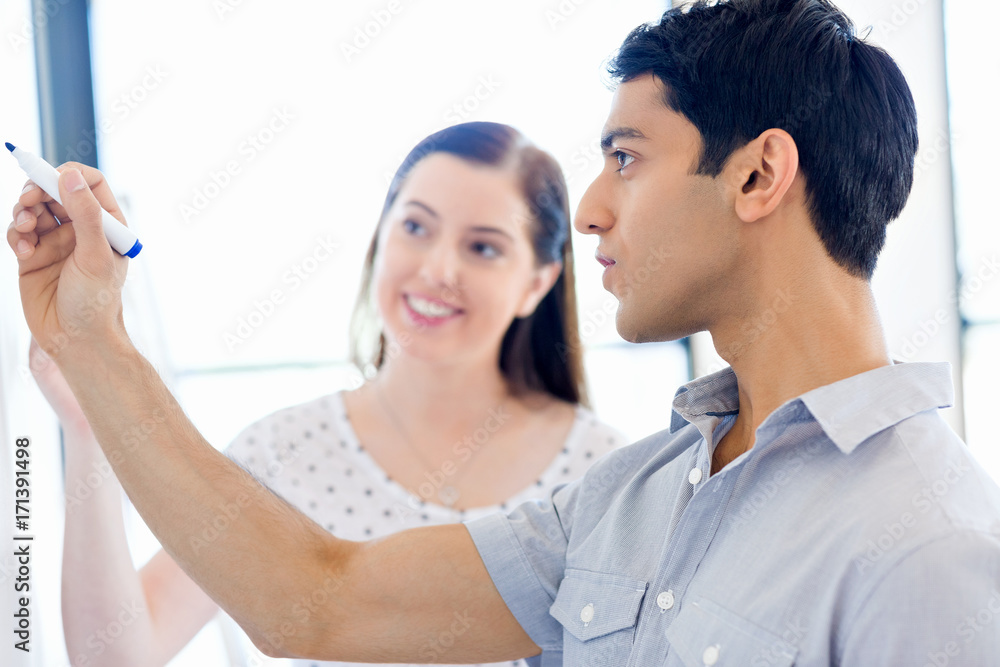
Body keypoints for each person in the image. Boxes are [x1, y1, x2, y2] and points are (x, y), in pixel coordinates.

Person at [9, 0, 1000, 664]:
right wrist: (95, 345)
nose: (592, 211)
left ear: (756, 176)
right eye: (415, 226)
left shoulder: (931, 548)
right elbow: (319, 598)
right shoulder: (632, 496)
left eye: (626, 157)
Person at [23, 122, 628, 667]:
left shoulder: (608, 478)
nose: (438, 270)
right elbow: (116, 654)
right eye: (416, 227)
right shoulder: (282, 451)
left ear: (537, 283)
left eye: (483, 247)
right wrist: (89, 426)